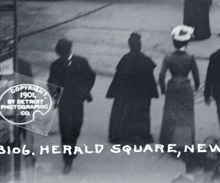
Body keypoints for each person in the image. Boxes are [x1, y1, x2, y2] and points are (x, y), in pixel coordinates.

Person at [47, 37, 96, 173]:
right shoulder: (55, 65)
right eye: (61, 54)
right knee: (65, 130)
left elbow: (91, 77)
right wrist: (55, 95)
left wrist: (85, 91)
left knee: (77, 126)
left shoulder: (81, 62)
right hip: (64, 102)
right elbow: (52, 82)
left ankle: (72, 147)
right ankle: (67, 161)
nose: (64, 56)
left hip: (78, 100)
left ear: (70, 50)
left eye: (65, 53)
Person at [107, 32, 158, 147]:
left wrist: (115, 92)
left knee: (123, 113)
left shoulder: (125, 59)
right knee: (141, 114)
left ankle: (124, 135)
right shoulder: (145, 60)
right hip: (141, 95)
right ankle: (139, 135)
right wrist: (151, 92)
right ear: (139, 45)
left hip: (126, 94)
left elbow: (118, 79)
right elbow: (150, 79)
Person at [159, 26, 201, 152]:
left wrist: (163, 89)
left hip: (172, 86)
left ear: (174, 42)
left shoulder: (168, 58)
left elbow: (161, 75)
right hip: (186, 87)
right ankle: (187, 141)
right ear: (187, 43)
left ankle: (168, 141)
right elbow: (196, 76)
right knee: (187, 114)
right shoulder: (190, 58)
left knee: (170, 114)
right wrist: (197, 87)